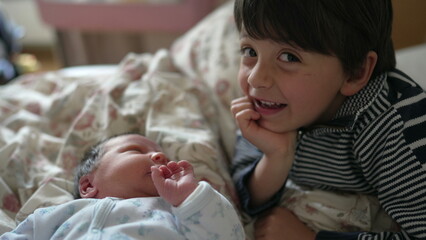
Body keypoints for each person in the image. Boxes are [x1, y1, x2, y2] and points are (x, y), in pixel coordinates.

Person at [230, 0, 426, 239]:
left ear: (355, 72)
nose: (256, 79)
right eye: (250, 51)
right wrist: (275, 157)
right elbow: (245, 196)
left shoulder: (393, 128)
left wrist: (310, 238)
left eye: (289, 57)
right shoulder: (265, 105)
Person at [1, 133, 245, 240]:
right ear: (88, 186)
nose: (160, 156)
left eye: (162, 154)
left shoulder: (178, 213)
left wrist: (192, 198)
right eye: (135, 150)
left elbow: (226, 234)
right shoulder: (57, 215)